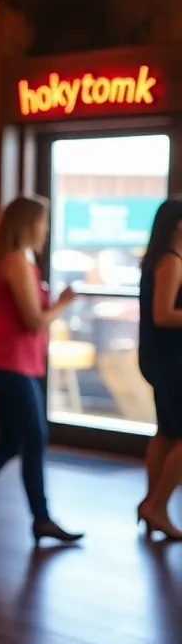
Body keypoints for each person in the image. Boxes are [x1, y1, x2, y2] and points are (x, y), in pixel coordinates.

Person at [0, 195, 82, 544]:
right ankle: (41, 519)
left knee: (11, 442)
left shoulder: (9, 261)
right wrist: (63, 305)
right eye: (43, 222)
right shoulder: (16, 264)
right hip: (11, 364)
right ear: (28, 225)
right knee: (34, 438)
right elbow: (34, 320)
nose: (46, 229)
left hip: (5, 361)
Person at [136, 197, 182, 541]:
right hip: (170, 360)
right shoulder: (172, 261)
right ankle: (158, 505)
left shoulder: (161, 259)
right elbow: (163, 314)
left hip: (161, 358)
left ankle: (152, 504)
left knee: (166, 433)